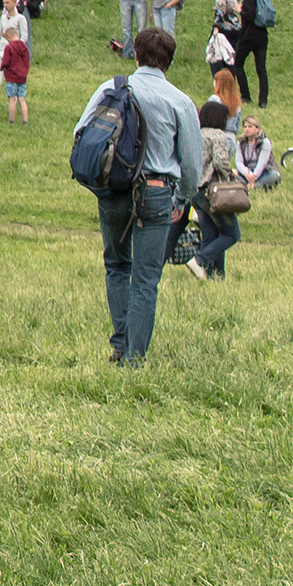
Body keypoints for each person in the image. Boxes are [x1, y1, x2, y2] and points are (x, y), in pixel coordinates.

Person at [78, 27, 203, 365]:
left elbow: (81, 133)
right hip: (157, 192)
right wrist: (182, 200)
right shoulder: (180, 101)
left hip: (113, 190)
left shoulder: (111, 88)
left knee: (116, 266)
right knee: (146, 279)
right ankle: (135, 357)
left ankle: (120, 344)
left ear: (135, 55)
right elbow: (193, 163)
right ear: (169, 61)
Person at [191, 100, 250, 277]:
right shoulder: (217, 135)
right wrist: (230, 175)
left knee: (211, 234)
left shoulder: (196, 134)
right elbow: (220, 162)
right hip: (211, 191)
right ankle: (199, 260)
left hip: (195, 191)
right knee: (232, 234)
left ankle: (215, 274)